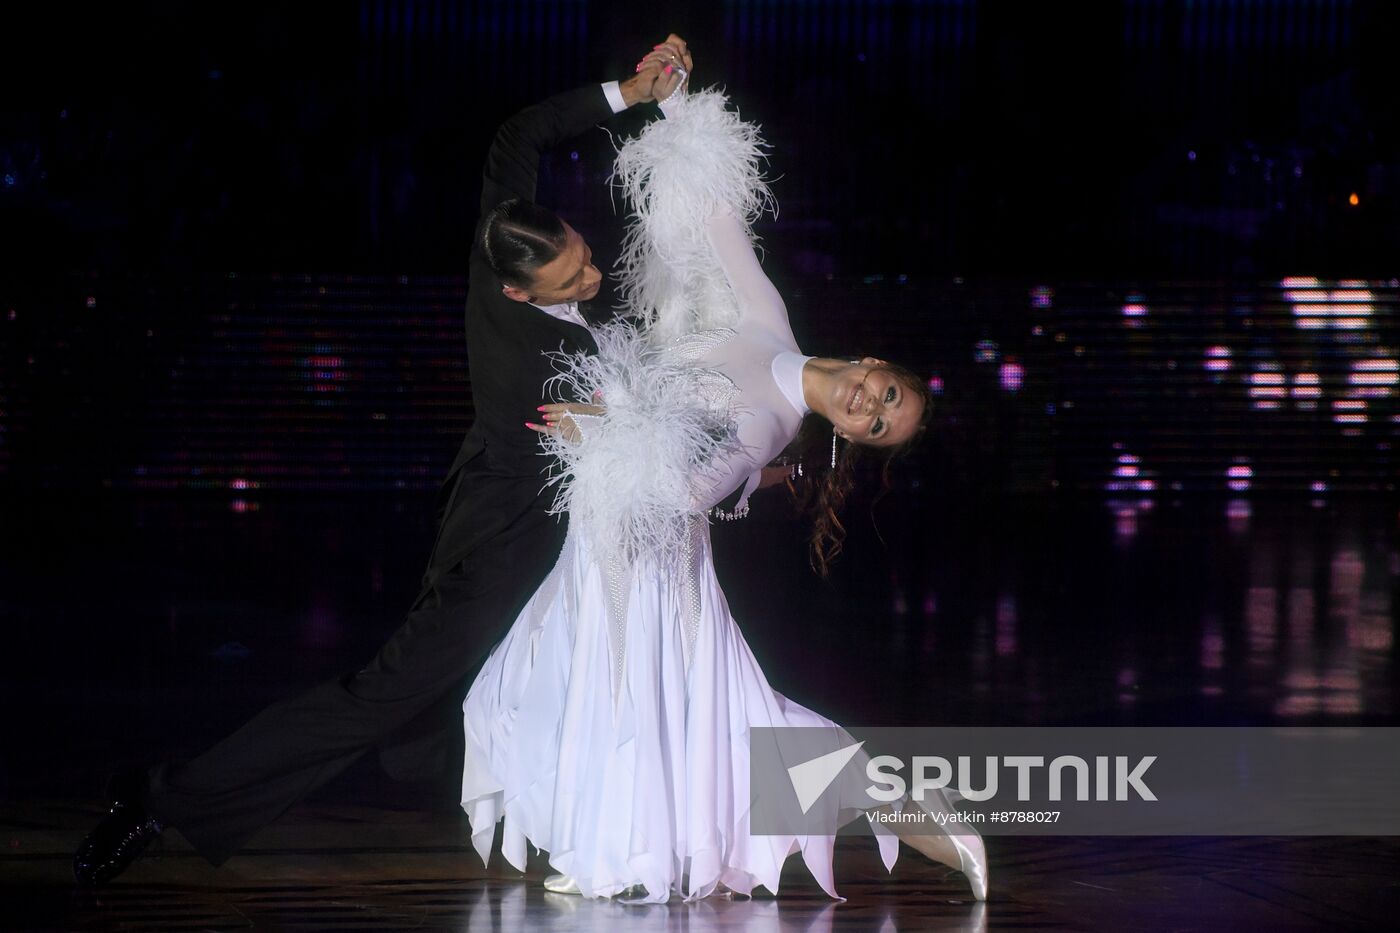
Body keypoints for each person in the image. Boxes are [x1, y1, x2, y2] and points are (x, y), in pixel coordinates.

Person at [72, 37, 694, 887]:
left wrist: (629, 91)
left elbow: (517, 133)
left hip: (564, 543)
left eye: (583, 255)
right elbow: (609, 435)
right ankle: (159, 798)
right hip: (507, 550)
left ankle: (564, 822)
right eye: (570, 277)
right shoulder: (522, 355)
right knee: (381, 699)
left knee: (447, 732)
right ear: (517, 292)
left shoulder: (506, 232)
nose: (590, 274)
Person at [457, 50, 989, 904]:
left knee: (712, 725)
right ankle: (612, 841)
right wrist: (672, 109)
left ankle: (923, 827)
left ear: (856, 435)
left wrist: (607, 425)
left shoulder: (772, 419)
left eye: (877, 425)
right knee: (541, 690)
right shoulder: (767, 322)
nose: (867, 407)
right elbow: (711, 220)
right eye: (884, 394)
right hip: (606, 536)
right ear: (874, 362)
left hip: (649, 560)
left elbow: (680, 483)